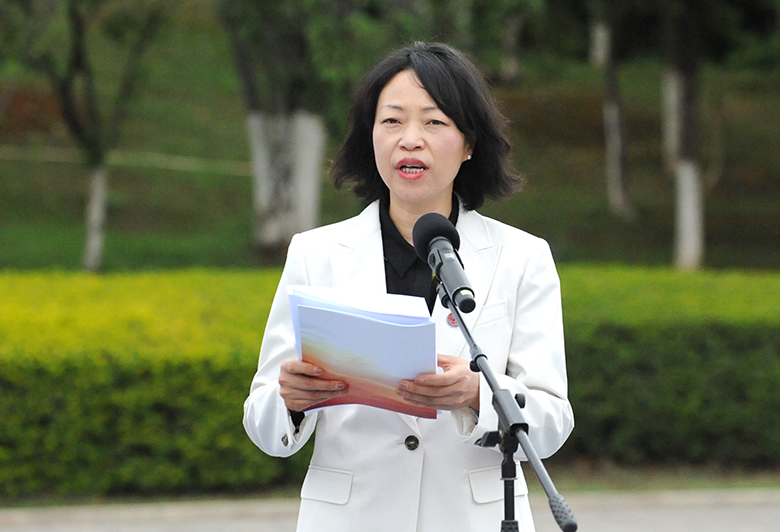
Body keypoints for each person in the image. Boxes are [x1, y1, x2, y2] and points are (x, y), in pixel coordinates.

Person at [243, 42, 573, 532]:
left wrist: (477, 393)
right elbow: (263, 422)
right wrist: (290, 400)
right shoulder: (316, 254)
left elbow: (551, 422)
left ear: (469, 143)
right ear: (370, 136)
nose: (410, 139)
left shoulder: (522, 258)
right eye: (392, 121)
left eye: (434, 122)